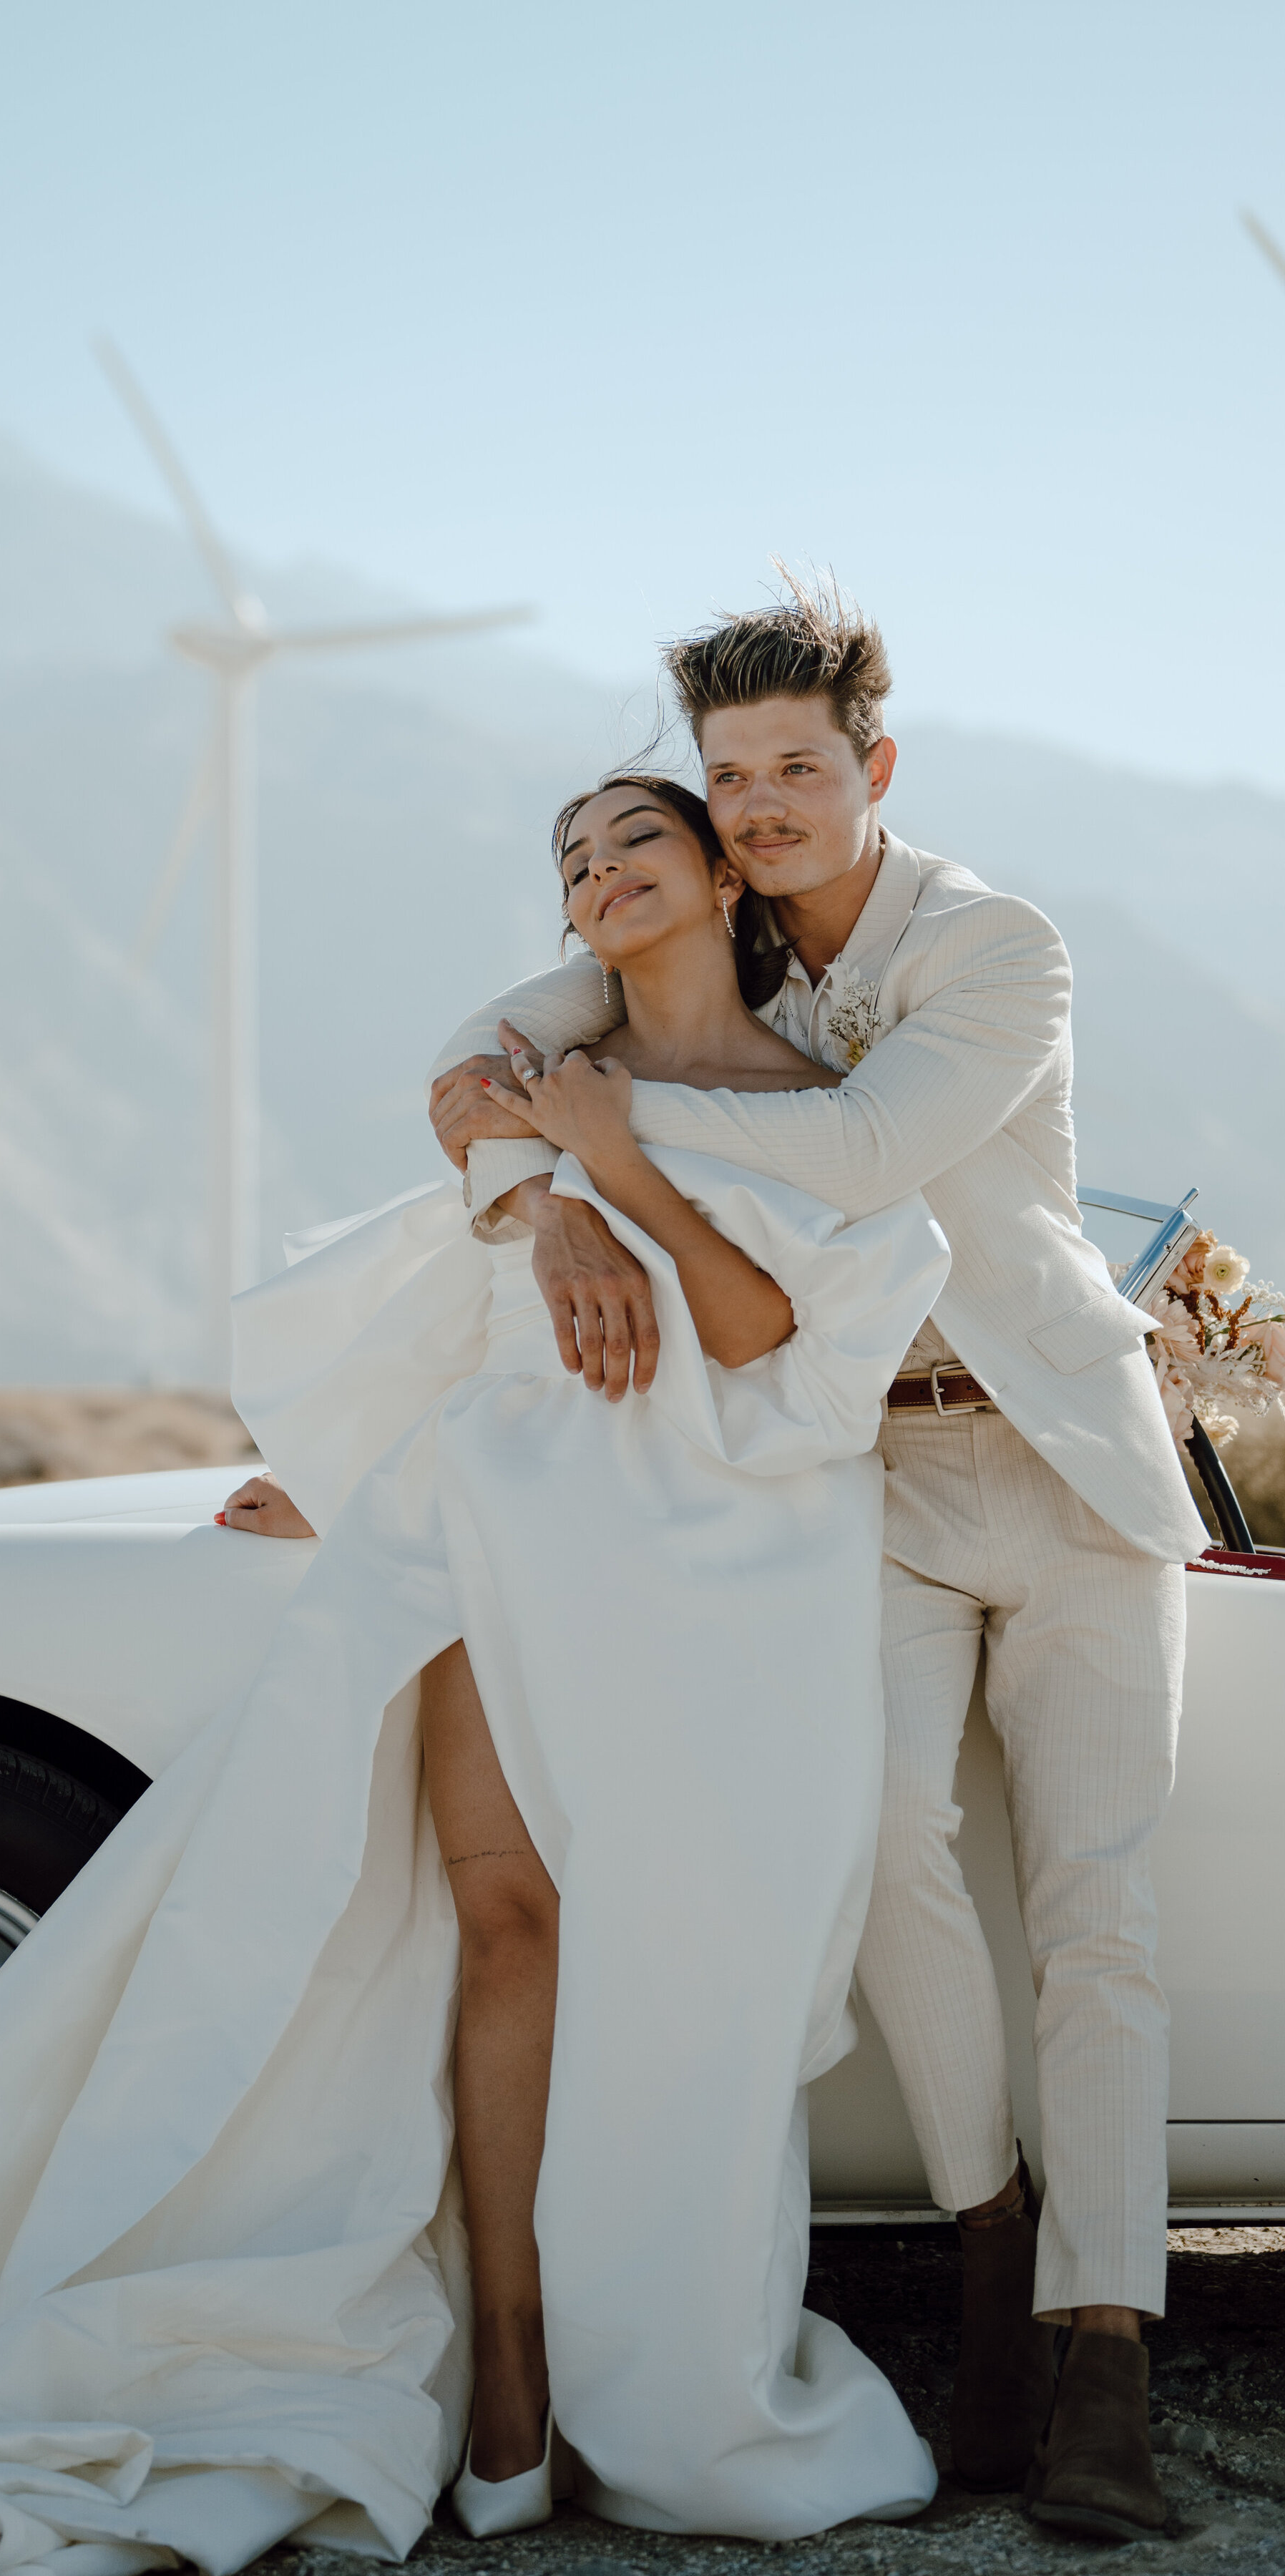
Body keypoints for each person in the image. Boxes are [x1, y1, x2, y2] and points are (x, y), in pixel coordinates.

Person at [0, 766, 949, 2575]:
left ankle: (675, 2371)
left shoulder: (812, 1113)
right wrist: (542, 1205)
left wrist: (615, 1180)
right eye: (572, 859)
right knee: (506, 1922)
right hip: (503, 1515)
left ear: (718, 876)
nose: (601, 873)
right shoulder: (523, 1096)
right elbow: (461, 1139)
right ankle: (514, 2376)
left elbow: (774, 1341)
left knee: (692, 1975)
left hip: (720, 1571)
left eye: (638, 842)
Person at [428, 575, 1208, 2549]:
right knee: (874, 1854)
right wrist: (545, 1193)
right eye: (729, 777)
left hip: (1072, 1469)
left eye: (794, 771)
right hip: (868, 1479)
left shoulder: (999, 947)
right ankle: (985, 2249)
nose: (759, 806)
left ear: (876, 766)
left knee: (1102, 1913)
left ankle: (1102, 2353)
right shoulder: (707, 927)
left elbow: (857, 1158)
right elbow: (476, 1054)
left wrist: (610, 1120)